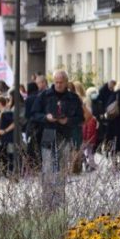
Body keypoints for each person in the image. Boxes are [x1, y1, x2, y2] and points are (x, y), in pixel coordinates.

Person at [37, 70, 84, 205]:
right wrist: (46, 117)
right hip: (48, 134)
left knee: (61, 168)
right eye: (56, 82)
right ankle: (47, 200)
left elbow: (80, 118)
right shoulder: (44, 96)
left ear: (66, 82)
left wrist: (68, 120)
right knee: (47, 168)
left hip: (65, 134)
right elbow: (34, 114)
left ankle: (59, 200)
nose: (58, 85)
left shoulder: (73, 98)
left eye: (61, 82)